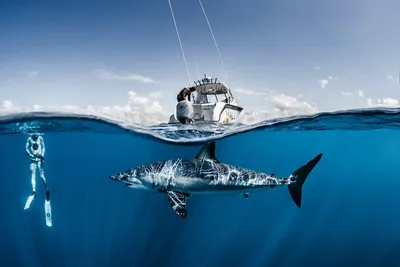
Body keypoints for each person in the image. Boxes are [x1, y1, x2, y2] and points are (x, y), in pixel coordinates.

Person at [24, 133, 52, 227]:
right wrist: (31, 155)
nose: (35, 137)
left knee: (41, 175)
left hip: (39, 159)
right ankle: (33, 191)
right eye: (34, 136)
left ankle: (47, 189)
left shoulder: (40, 137)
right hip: (33, 159)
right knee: (33, 175)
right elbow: (26, 149)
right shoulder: (29, 138)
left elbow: (43, 147)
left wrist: (42, 156)